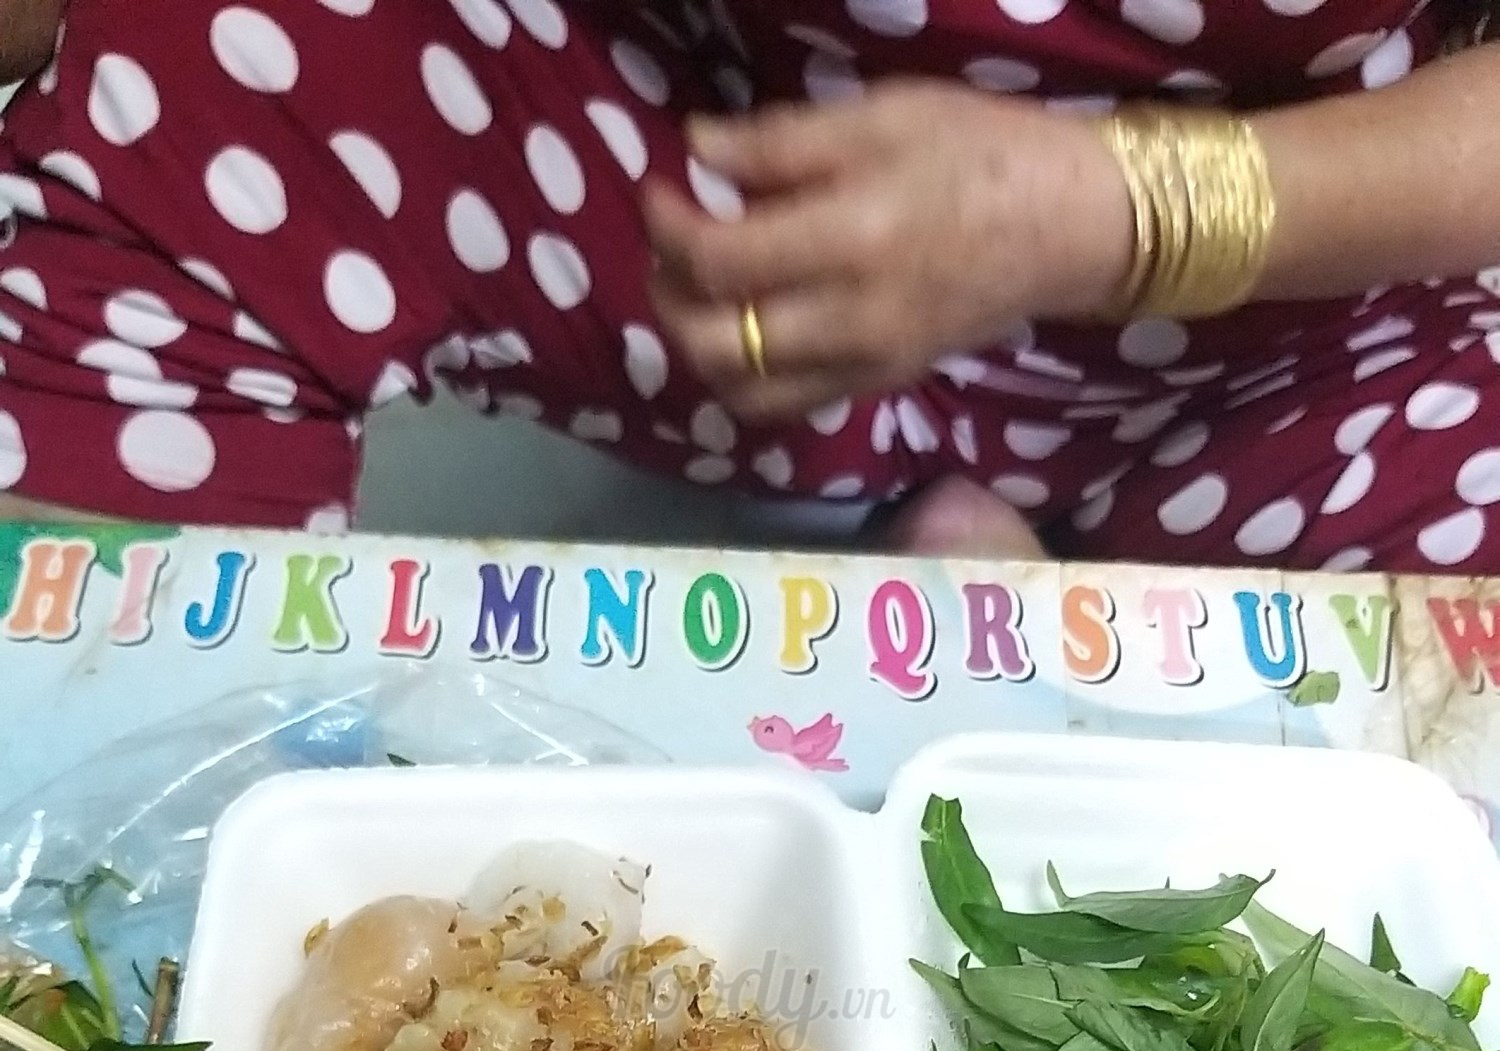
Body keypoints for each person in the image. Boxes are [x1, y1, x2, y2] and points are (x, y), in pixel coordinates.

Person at [0, 0, 1495, 572]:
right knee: (163, 87)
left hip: (1292, 308)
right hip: (726, 211)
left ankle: (1019, 592)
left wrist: (1125, 211)